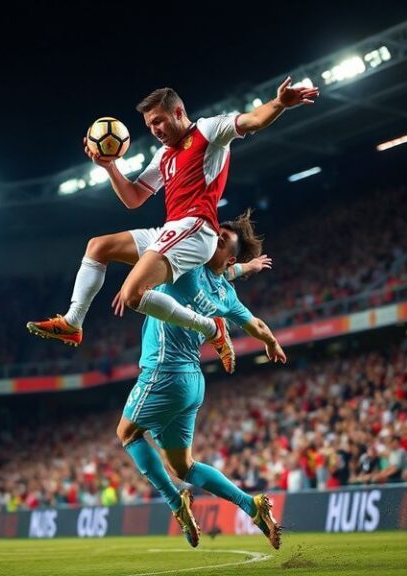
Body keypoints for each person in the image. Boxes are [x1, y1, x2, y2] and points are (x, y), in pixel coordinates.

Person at [28, 78, 318, 372]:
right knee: (98, 247)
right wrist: (109, 167)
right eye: (150, 126)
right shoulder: (163, 155)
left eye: (159, 121)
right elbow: (133, 198)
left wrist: (280, 103)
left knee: (132, 295)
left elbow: (253, 120)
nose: (155, 131)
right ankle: (73, 322)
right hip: (172, 229)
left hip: (196, 228)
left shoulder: (208, 130)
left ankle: (210, 328)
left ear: (178, 112)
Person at [113, 210, 287, 549]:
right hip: (192, 382)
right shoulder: (227, 296)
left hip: (165, 372)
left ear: (228, 255)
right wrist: (271, 342)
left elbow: (204, 265)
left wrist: (239, 269)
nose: (212, 239)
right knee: (184, 467)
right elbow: (254, 321)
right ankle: (251, 505)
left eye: (221, 240)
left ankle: (177, 504)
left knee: (127, 433)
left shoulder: (188, 267)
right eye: (216, 234)